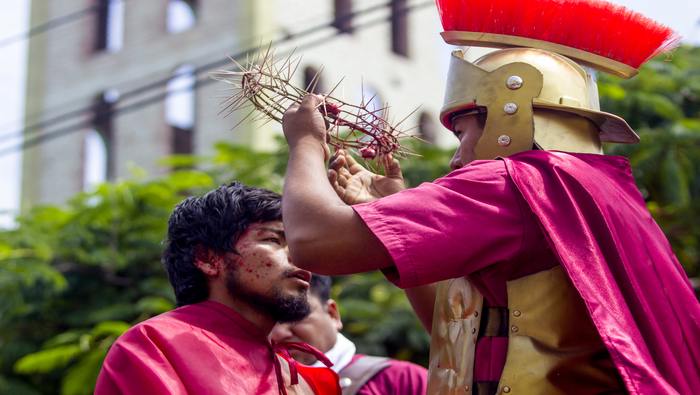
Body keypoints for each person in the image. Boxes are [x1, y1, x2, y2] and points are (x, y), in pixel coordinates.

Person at [277, 8, 700, 395]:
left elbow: (314, 243)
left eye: (462, 132)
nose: (457, 156)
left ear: (510, 113)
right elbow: (455, 340)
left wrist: (306, 142)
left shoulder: (516, 182)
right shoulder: (595, 191)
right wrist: (395, 212)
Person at [95, 182, 340, 395]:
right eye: (273, 240)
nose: (300, 257)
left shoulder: (306, 378)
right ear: (208, 259)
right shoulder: (155, 345)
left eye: (296, 245)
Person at [270, 274, 429, 395]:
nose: (278, 333)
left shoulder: (404, 381)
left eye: (296, 315)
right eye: (266, 321)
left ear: (333, 314)